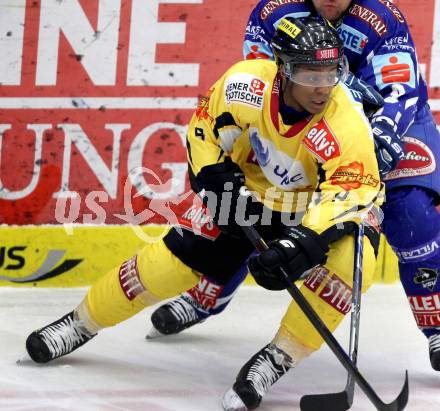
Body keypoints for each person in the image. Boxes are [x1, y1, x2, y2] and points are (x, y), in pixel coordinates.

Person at [26, 16, 382, 411]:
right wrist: (213, 175)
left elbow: (353, 192)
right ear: (283, 68)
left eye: (331, 73)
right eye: (308, 73)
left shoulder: (345, 123)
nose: (321, 87)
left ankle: (276, 358)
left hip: (315, 209)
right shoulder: (245, 85)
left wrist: (301, 242)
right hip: (253, 191)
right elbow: (204, 128)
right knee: (171, 263)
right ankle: (81, 322)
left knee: (351, 264)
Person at [153, 0, 440, 375]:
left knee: (411, 213)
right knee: (249, 195)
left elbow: (400, 91)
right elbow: (263, 80)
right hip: (305, 119)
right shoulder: (273, 11)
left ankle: (435, 324)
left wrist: (378, 138)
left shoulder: (382, 19)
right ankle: (212, 286)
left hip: (385, 125)